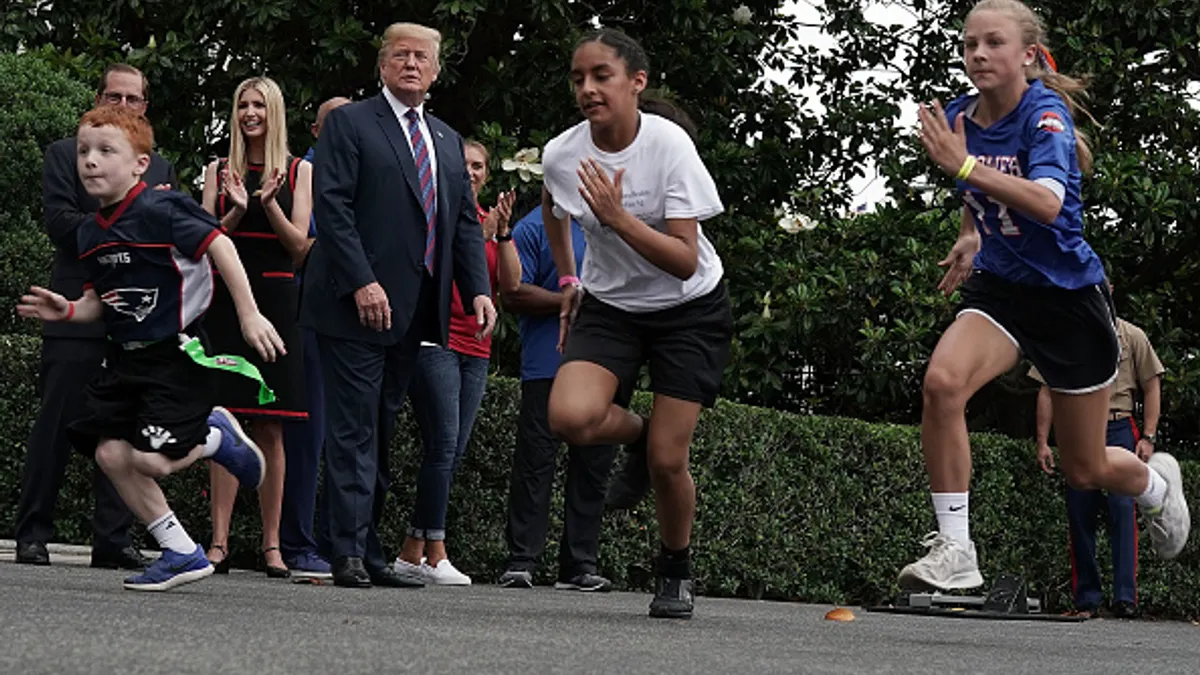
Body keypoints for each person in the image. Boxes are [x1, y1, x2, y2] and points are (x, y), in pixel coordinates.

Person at [899, 0, 1189, 593]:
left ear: (1027, 55)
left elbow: (1047, 202)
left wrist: (964, 169)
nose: (978, 53)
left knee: (1085, 467)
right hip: (1003, 292)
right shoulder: (960, 117)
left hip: (1068, 302)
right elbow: (976, 189)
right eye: (969, 44)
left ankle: (1156, 486)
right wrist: (969, 233)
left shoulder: (1045, 115)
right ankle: (955, 548)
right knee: (942, 383)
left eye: (993, 43)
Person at [17, 104, 282, 591]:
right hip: (126, 361)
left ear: (140, 164)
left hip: (176, 356)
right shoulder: (88, 232)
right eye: (83, 152)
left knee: (150, 460)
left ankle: (216, 434)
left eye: (105, 151)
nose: (90, 161)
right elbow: (105, 298)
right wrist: (71, 311)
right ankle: (181, 552)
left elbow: (220, 245)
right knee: (112, 455)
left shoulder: (162, 208)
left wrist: (248, 313)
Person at [540, 29, 734, 619]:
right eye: (579, 78)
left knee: (669, 463)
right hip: (612, 306)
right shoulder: (562, 154)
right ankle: (642, 431)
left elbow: (681, 259)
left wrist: (620, 220)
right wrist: (569, 280)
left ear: (636, 82)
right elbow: (553, 209)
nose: (588, 89)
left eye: (602, 75)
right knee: (570, 417)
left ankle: (675, 565)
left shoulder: (668, 146)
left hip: (690, 308)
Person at [299, 22, 496, 589]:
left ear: (436, 71)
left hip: (413, 314)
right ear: (383, 64)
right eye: (401, 55)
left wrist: (478, 289)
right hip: (352, 305)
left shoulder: (447, 139)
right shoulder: (351, 123)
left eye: (423, 57)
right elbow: (332, 208)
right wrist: (362, 281)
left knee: (381, 429)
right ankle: (349, 553)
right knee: (355, 429)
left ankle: (369, 549)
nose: (412, 64)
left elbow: (461, 223)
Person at [15, 63, 177, 569]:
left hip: (134, 319)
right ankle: (32, 532)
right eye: (113, 97)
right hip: (73, 307)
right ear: (98, 98)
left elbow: (172, 238)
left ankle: (113, 541)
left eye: (133, 100)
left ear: (145, 107)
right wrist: (133, 221)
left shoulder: (161, 169)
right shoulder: (66, 155)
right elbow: (63, 225)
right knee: (57, 425)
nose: (122, 107)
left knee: (121, 431)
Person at [391, 141, 520, 585]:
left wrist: (502, 234)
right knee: (444, 445)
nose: (470, 172)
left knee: (452, 450)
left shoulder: (489, 219)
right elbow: (433, 266)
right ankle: (436, 549)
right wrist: (481, 234)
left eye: (478, 166)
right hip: (435, 340)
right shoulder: (434, 212)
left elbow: (513, 283)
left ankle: (413, 550)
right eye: (463, 164)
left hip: (477, 349)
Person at [201, 77, 313, 578]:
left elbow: (301, 247)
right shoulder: (216, 170)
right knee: (225, 420)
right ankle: (219, 542)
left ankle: (272, 545)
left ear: (274, 113)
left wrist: (268, 203)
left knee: (271, 423)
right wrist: (237, 209)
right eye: (242, 104)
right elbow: (199, 240)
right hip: (226, 298)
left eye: (258, 105)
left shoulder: (298, 169)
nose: (249, 113)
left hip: (277, 297)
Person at [497, 204, 623, 592]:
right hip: (546, 365)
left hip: (604, 369)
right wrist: (570, 300)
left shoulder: (611, 228)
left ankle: (579, 566)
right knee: (535, 464)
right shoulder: (533, 227)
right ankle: (521, 560)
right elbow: (512, 293)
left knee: (593, 468)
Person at [1033, 303, 1165, 618]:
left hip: (1120, 426)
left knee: (1123, 508)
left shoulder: (1132, 335)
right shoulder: (1063, 336)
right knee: (1080, 510)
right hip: (1078, 428)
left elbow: (1151, 385)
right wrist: (1042, 441)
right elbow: (1047, 391)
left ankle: (1125, 598)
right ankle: (1087, 599)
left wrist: (1148, 436)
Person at [278, 95, 352, 579]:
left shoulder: (352, 174)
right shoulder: (305, 172)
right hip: (304, 311)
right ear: (315, 130)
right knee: (306, 432)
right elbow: (305, 247)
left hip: (347, 316)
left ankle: (329, 541)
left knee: (340, 435)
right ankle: (296, 542)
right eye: (336, 124)